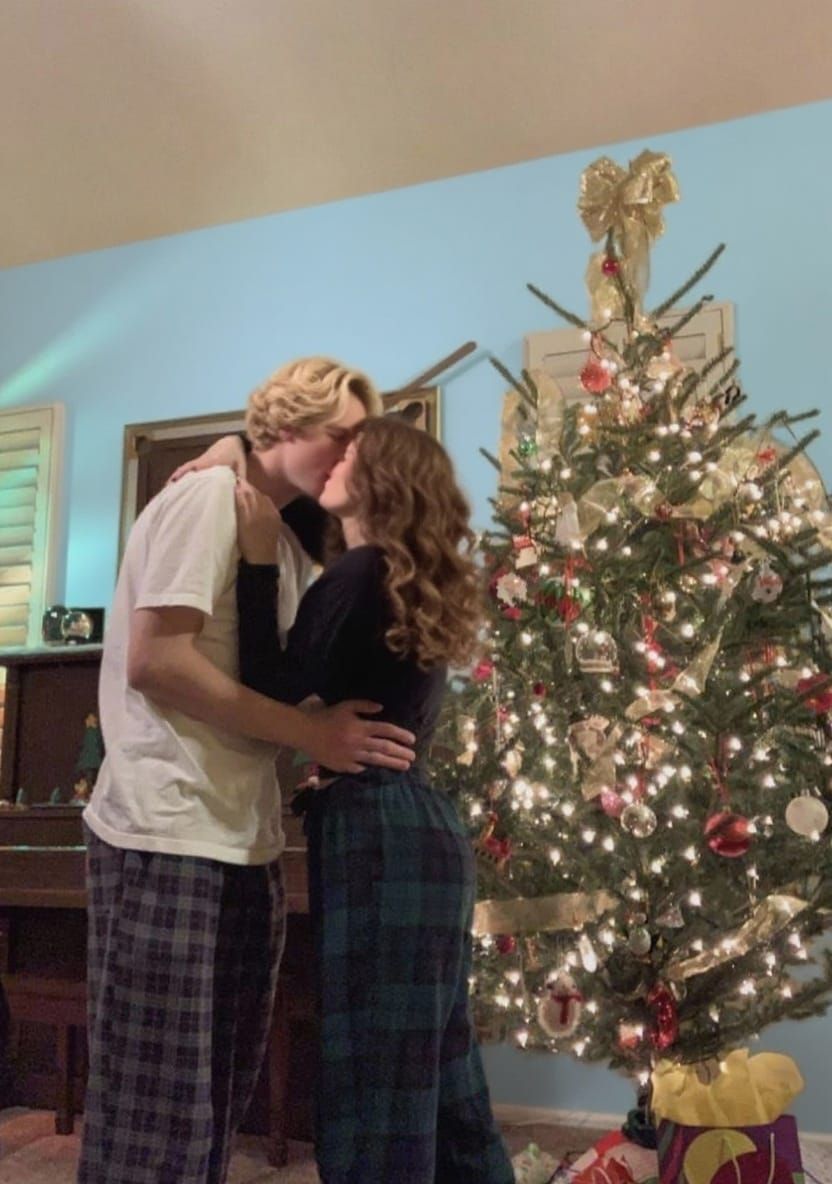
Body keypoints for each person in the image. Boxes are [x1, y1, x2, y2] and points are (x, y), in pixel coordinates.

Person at [78, 358, 417, 1184]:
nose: (350, 456)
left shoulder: (288, 543)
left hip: (240, 835)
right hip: (170, 828)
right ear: (284, 426)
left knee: (212, 1104)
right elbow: (157, 662)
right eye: (338, 436)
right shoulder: (205, 500)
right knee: (155, 1113)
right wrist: (312, 736)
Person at [232, 415, 514, 1184]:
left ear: (382, 475)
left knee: (373, 1083)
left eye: (349, 452)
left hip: (378, 832)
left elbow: (269, 686)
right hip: (416, 827)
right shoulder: (393, 574)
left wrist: (257, 562)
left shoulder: (359, 573)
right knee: (441, 1075)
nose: (332, 462)